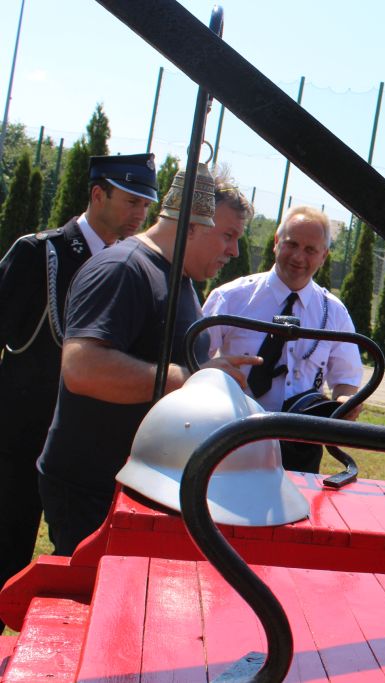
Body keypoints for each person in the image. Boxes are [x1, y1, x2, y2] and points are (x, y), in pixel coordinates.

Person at [36, 165, 259, 556]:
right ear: (192, 223)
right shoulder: (123, 268)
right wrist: (192, 379)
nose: (234, 251)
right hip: (94, 490)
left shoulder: (178, 277)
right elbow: (82, 368)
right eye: (228, 235)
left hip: (137, 483)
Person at [0, 153, 156, 604]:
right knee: (5, 550)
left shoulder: (134, 267)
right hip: (19, 439)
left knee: (79, 565)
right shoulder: (39, 253)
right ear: (97, 194)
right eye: (131, 201)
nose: (140, 214)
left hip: (85, 451)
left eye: (146, 205)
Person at [202, 205, 363, 472]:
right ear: (276, 242)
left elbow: (346, 381)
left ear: (324, 256)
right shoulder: (231, 298)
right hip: (233, 438)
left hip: (300, 447)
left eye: (310, 250)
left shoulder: (334, 313)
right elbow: (193, 363)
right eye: (292, 244)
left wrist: (346, 403)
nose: (299, 257)